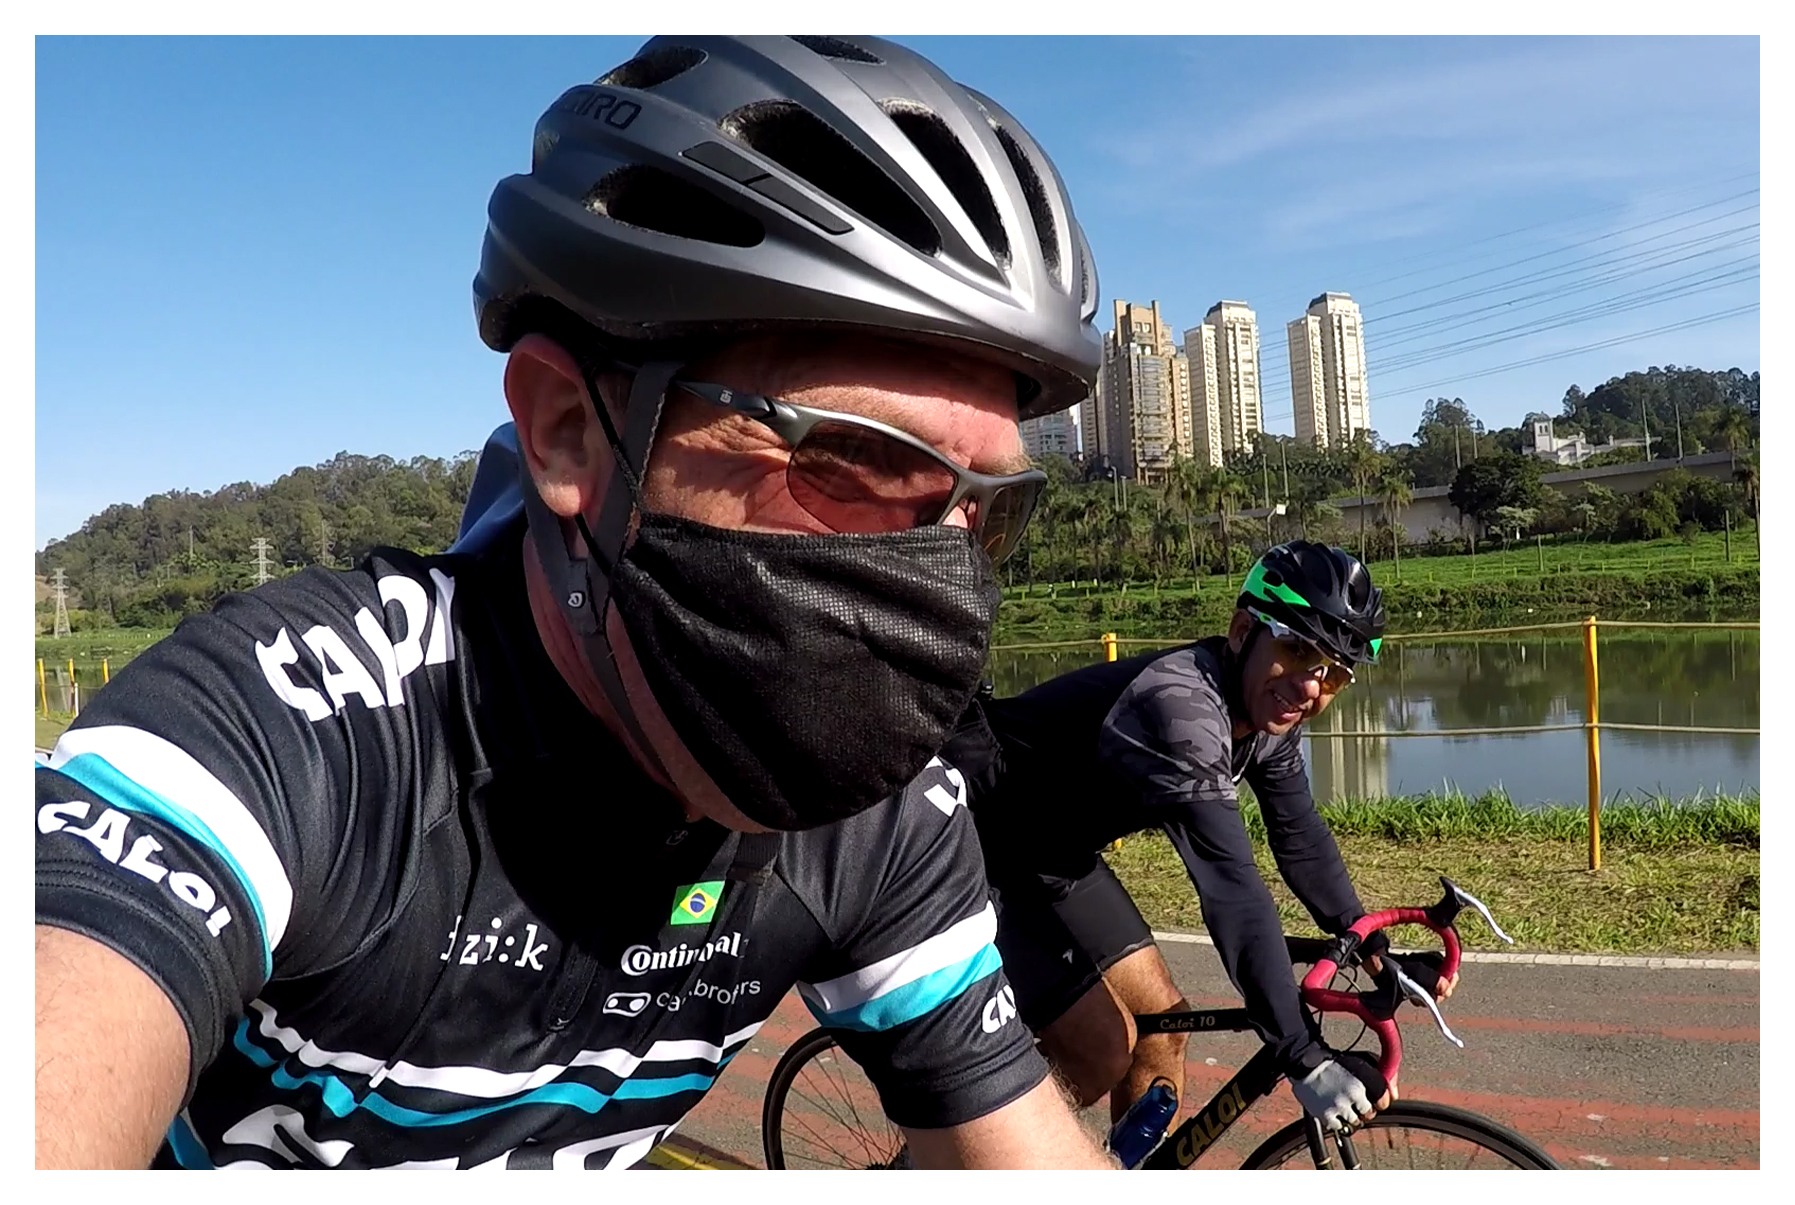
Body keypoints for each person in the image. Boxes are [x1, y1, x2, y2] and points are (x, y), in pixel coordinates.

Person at [34, 35, 1115, 1170]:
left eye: (985, 506)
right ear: (566, 431)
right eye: (856, 459)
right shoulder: (301, 729)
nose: (939, 564)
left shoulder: (877, 813)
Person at [951, 541, 1457, 1137]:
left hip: (1054, 856)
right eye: (1296, 650)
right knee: (1098, 1053)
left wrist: (1371, 945)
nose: (1309, 688)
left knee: (1161, 1035)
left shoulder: (1267, 718)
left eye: (1335, 674)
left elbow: (1299, 837)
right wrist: (1301, 1053)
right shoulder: (1182, 709)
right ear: (1243, 630)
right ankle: (938, 1163)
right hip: (973, 848)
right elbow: (1233, 890)